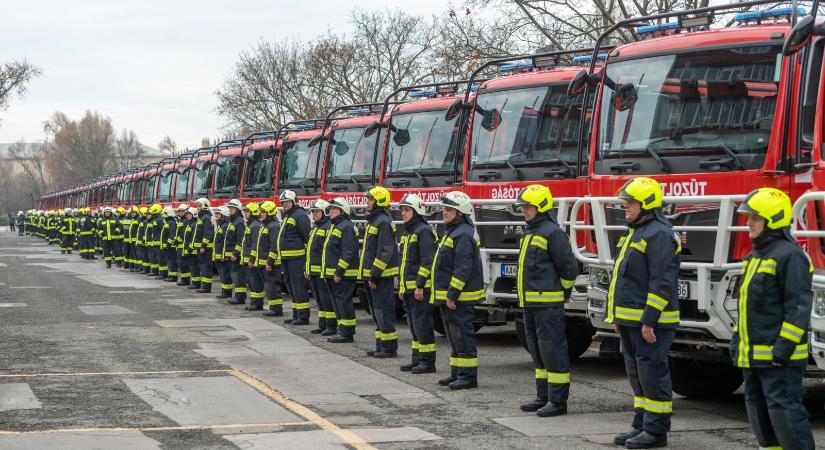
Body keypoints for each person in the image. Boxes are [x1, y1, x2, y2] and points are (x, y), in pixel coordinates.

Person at [731, 187, 815, 450]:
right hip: (753, 355)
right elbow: (747, 307)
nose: (748, 225)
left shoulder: (790, 256)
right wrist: (737, 340)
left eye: (754, 218)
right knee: (757, 409)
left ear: (772, 220)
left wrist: (782, 350)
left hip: (779, 359)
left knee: (785, 413)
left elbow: (798, 308)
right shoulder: (754, 256)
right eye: (748, 218)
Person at [607, 177, 681, 449]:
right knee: (637, 374)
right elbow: (623, 279)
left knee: (652, 374)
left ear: (647, 204)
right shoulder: (637, 230)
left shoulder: (659, 234)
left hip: (651, 322)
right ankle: (640, 424)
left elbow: (662, 281)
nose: (625, 207)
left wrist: (649, 319)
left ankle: (656, 430)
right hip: (630, 320)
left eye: (631, 203)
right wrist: (616, 317)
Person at [513, 185, 578, 417]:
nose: (523, 211)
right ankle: (543, 396)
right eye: (523, 207)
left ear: (540, 207)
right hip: (530, 305)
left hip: (548, 306)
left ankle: (558, 401)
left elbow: (569, 268)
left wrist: (563, 293)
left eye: (527, 207)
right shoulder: (529, 232)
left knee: (553, 351)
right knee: (538, 352)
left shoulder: (553, 233)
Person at [430, 191, 484, 390]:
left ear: (460, 212)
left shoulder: (463, 234)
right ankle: (457, 373)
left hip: (459, 297)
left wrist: (452, 294)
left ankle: (468, 376)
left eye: (449, 209)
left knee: (463, 336)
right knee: (454, 336)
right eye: (444, 209)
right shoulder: (452, 232)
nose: (444, 212)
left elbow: (462, 267)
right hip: (450, 296)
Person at [397, 193, 436, 373]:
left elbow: (427, 261)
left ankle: (428, 362)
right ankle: (417, 359)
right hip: (409, 288)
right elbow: (405, 262)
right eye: (402, 210)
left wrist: (420, 284)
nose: (403, 214)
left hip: (420, 289)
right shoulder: (408, 232)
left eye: (407, 210)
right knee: (413, 325)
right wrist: (402, 286)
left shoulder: (423, 231)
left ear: (417, 211)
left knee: (422, 325)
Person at [361, 186, 400, 358]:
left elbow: (385, 251)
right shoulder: (375, 220)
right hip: (374, 276)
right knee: (376, 311)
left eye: (370, 199)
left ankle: (389, 348)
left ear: (379, 201)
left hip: (381, 277)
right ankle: (380, 346)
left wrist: (375, 273)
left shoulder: (383, 221)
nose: (367, 202)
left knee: (384, 312)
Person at [322, 197, 359, 343]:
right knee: (337, 304)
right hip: (333, 274)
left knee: (344, 303)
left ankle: (347, 333)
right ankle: (341, 329)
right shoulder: (335, 226)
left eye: (334, 209)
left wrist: (339, 271)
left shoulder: (346, 227)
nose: (331, 211)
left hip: (343, 275)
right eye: (330, 209)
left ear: (342, 211)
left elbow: (348, 252)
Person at [277, 190, 312, 325]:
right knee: (290, 287)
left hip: (297, 259)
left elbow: (307, 237)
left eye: (287, 202)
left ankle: (303, 316)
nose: (285, 204)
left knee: (298, 287)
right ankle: (296, 314)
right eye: (283, 202)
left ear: (293, 202)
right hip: (286, 259)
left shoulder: (300, 215)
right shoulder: (288, 215)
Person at [306, 199, 335, 335]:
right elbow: (310, 250)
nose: (315, 214)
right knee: (319, 299)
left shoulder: (327, 227)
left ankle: (331, 326)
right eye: (313, 212)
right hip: (313, 271)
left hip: (322, 271)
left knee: (326, 299)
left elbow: (327, 251)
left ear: (324, 212)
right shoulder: (315, 227)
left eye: (317, 212)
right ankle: (322, 325)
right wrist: (307, 268)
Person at [261, 200, 285, 317]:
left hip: (274, 263)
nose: (261, 214)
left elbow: (274, 246)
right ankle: (272, 307)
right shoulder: (267, 225)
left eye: (263, 212)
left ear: (270, 213)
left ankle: (276, 309)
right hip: (269, 262)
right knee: (269, 285)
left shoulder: (273, 226)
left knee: (273, 285)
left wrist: (270, 262)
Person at [242, 202, 266, 311]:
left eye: (247, 212)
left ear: (253, 213)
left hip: (254, 261)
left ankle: (257, 304)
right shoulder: (251, 224)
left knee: (255, 282)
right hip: (249, 260)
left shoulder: (255, 225)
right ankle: (253, 303)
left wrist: (252, 260)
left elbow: (255, 245)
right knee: (251, 282)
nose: (245, 214)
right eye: (245, 212)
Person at [226, 199, 248, 305]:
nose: (230, 209)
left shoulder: (239, 222)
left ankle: (240, 297)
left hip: (237, 255)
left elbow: (240, 240)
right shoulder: (233, 221)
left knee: (239, 276)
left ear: (237, 210)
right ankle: (238, 296)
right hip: (232, 254)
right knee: (235, 275)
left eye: (232, 208)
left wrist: (235, 253)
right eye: (229, 208)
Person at [193, 198, 215, 293]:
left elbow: (208, 234)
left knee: (206, 267)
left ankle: (206, 287)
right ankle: (204, 286)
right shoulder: (202, 217)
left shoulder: (206, 218)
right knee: (203, 266)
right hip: (201, 247)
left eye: (199, 206)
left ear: (204, 206)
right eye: (197, 206)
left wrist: (203, 246)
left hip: (205, 248)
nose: (197, 208)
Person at [213, 206, 233, 299]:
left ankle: (227, 292)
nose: (216, 215)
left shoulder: (224, 226)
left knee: (225, 274)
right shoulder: (221, 225)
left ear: (223, 215)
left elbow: (225, 242)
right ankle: (224, 291)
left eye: (218, 214)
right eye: (216, 213)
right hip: (219, 255)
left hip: (223, 256)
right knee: (222, 274)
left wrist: (223, 255)